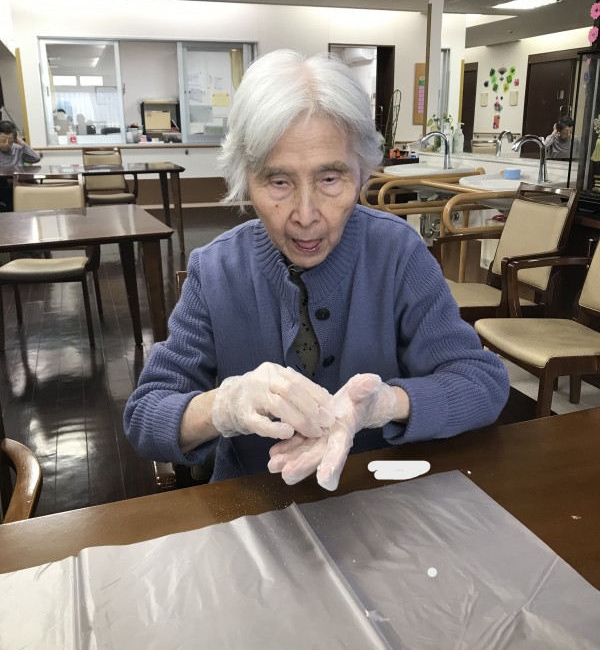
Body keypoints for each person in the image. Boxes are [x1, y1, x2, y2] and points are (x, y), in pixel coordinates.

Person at [124, 50, 509, 491]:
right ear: (245, 177)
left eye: (330, 179)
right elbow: (145, 416)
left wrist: (386, 404)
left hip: (376, 496)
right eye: (278, 181)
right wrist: (223, 407)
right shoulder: (215, 270)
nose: (306, 216)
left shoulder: (397, 254)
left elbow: (482, 383)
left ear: (361, 172)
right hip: (253, 500)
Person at [0, 120, 41, 211]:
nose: (6, 143)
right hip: (3, 185)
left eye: (10, 141)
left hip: (18, 183)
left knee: (32, 184)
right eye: (3, 140)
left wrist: (21, 142)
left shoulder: (18, 149)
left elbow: (36, 158)